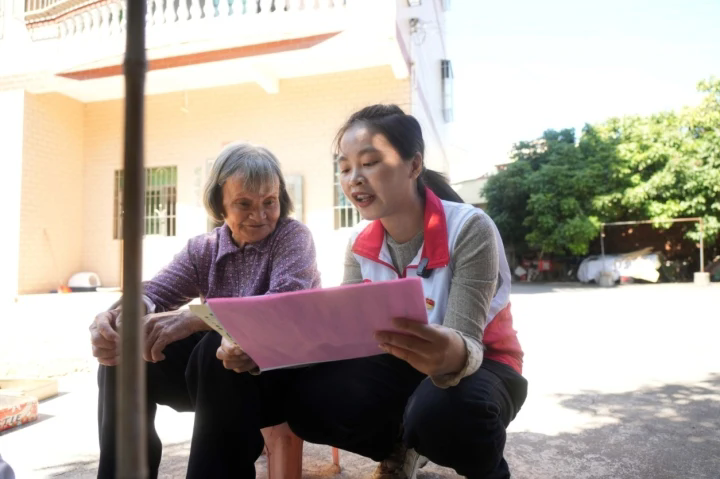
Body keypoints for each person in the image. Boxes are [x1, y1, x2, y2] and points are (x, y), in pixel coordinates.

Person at [186, 105, 526, 479]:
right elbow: (340, 342)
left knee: (443, 414)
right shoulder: (360, 242)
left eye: (370, 163)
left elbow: (469, 347)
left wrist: (446, 351)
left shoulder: (469, 228)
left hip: (482, 364)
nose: (354, 179)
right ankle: (400, 446)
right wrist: (260, 352)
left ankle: (488, 469)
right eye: (345, 168)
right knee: (306, 400)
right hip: (399, 360)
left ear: (414, 165)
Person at [88, 142, 321, 479]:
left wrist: (198, 318)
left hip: (279, 378)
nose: (260, 215)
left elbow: (283, 304)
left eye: (269, 202)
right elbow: (156, 291)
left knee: (217, 345)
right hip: (212, 385)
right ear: (219, 204)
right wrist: (116, 319)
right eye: (244, 204)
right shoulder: (205, 248)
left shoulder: (293, 237)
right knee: (126, 352)